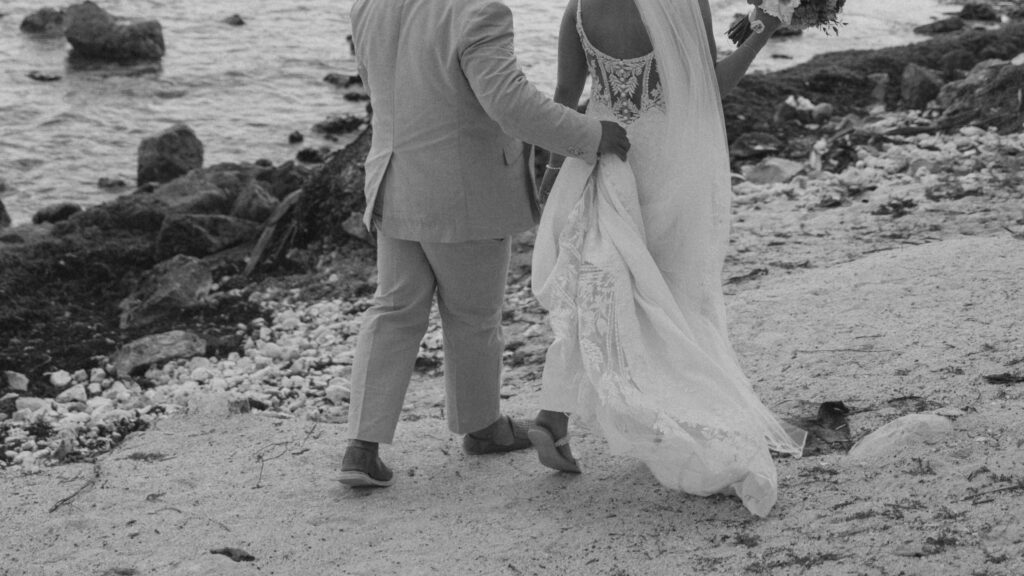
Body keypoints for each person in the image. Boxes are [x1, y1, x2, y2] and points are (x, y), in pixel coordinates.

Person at [529, 0, 806, 516]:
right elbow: (710, 88)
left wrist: (550, 172)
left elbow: (565, 97)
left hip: (601, 157)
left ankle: (553, 417)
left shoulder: (580, 7)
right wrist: (764, 30)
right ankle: (668, 420)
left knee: (600, 294)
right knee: (670, 300)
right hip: (666, 164)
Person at [340, 0, 631, 488]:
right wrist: (590, 133)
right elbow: (510, 104)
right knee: (474, 317)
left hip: (394, 181)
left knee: (393, 309)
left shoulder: (369, 4)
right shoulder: (479, 11)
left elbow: (385, 88)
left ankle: (360, 448)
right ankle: (482, 428)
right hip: (463, 191)